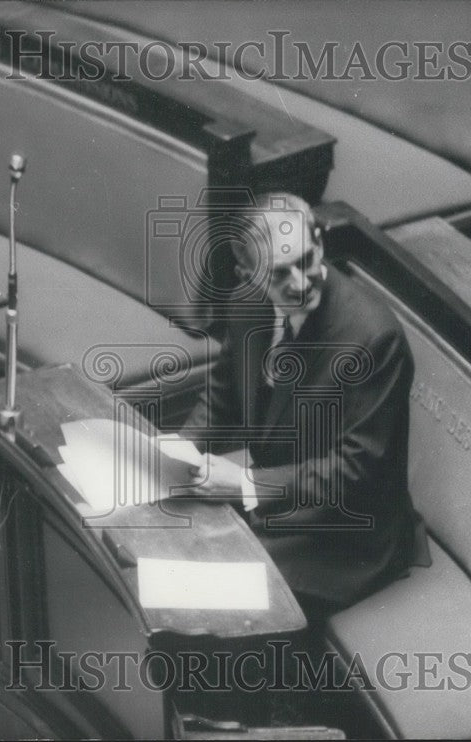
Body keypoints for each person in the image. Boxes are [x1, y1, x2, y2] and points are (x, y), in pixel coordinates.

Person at [182, 192, 426, 610]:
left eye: (307, 259)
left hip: (345, 536)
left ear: (319, 239)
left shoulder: (373, 338)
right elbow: (223, 392)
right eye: (279, 274)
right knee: (174, 554)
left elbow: (356, 470)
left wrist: (245, 484)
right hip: (281, 507)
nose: (299, 283)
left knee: (211, 599)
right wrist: (181, 447)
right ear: (249, 274)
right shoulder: (246, 305)